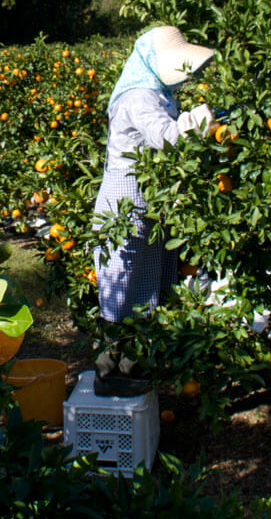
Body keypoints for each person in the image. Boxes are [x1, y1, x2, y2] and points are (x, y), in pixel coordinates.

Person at [92, 26, 216, 397]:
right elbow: (169, 138)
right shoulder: (139, 96)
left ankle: (132, 364)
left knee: (143, 280)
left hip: (148, 204)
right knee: (121, 279)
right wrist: (202, 120)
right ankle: (107, 369)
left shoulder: (157, 94)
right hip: (124, 203)